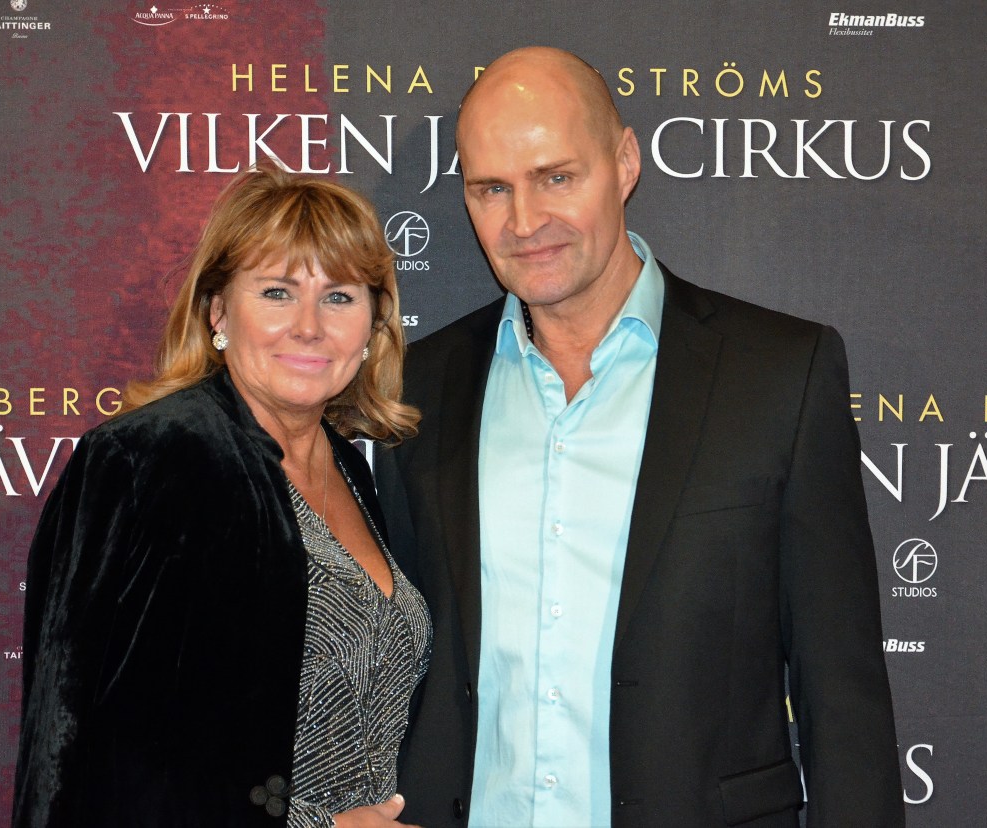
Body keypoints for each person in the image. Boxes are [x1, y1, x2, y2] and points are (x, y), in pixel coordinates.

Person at [377, 47, 905, 827]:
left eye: (557, 177)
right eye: (492, 188)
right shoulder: (419, 387)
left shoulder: (778, 375)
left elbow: (843, 696)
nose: (524, 222)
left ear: (624, 162)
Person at [14, 166, 429, 828]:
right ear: (217, 313)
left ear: (375, 324)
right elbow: (83, 752)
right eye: (277, 292)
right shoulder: (149, 459)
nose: (309, 326)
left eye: (340, 297)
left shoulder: (352, 468)